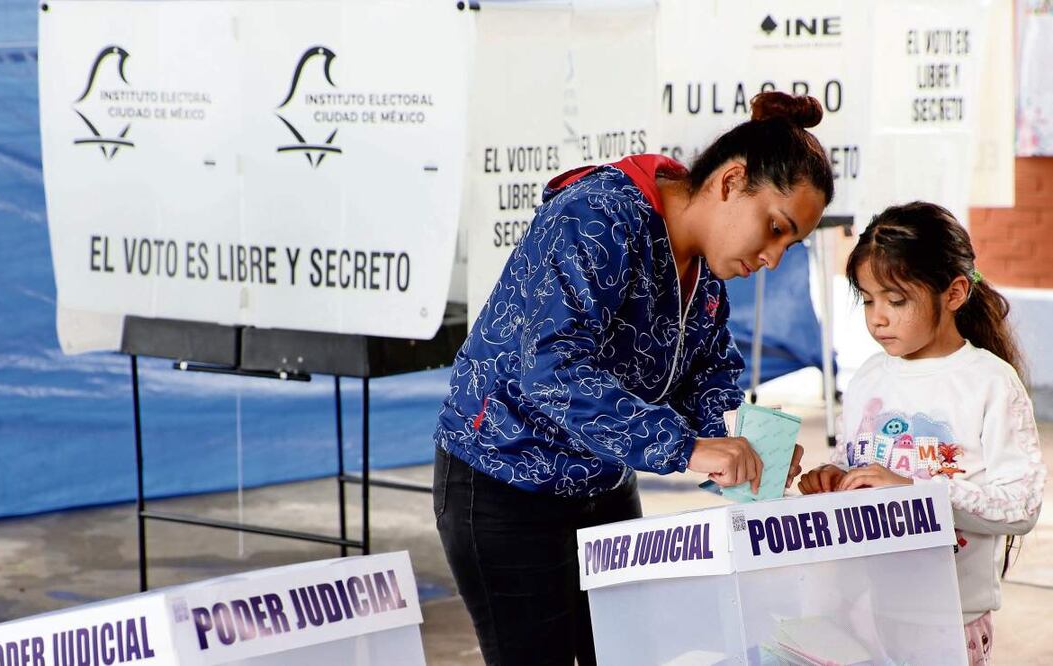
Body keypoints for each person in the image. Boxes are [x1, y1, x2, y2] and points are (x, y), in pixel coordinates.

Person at [434, 91, 834, 666]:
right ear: (731, 182)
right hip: (505, 482)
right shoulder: (598, 217)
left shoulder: (704, 267)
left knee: (626, 653)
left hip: (603, 485)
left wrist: (745, 444)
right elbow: (552, 368)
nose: (773, 257)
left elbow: (710, 369)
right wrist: (686, 447)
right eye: (774, 228)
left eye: (789, 244)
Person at [798, 202, 1046, 665]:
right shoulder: (869, 377)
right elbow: (859, 471)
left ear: (953, 293)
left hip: (948, 623)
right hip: (864, 614)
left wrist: (917, 492)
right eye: (868, 299)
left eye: (896, 301)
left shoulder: (989, 382)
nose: (878, 318)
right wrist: (832, 479)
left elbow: (1021, 506)